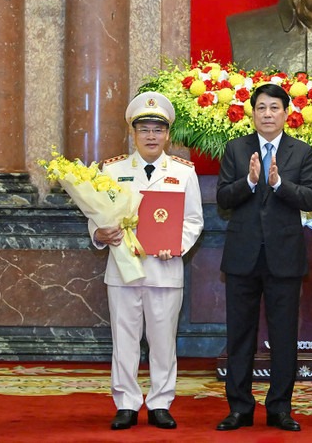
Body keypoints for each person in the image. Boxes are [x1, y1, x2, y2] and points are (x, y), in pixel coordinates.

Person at [89, 92, 204, 430]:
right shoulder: (112, 170)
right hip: (123, 269)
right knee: (124, 340)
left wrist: (176, 245)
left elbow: (193, 220)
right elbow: (95, 214)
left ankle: (160, 402)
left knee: (163, 341)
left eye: (158, 129)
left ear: (168, 134)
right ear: (133, 132)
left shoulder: (183, 172)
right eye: (144, 129)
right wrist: (100, 234)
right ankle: (126, 403)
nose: (151, 136)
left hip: (164, 269)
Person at [215, 83, 312, 432]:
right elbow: (223, 199)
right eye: (261, 107)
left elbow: (310, 199)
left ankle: (280, 409)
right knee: (240, 335)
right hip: (242, 256)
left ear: (286, 113)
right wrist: (249, 181)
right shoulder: (236, 148)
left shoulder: (301, 152)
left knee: (284, 336)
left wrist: (277, 184)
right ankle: (239, 408)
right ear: (253, 113)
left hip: (284, 257)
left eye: (274, 108)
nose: (268, 114)